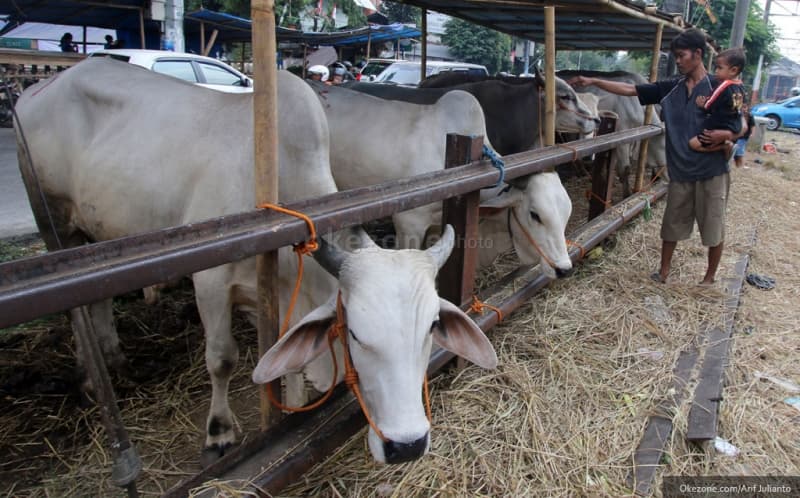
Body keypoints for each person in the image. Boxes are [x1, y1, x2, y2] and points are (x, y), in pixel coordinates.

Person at [569, 29, 741, 286]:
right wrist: (593, 80)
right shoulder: (671, 88)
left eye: (682, 55)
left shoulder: (720, 88)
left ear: (697, 54)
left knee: (714, 227)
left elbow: (740, 125)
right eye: (676, 56)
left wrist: (725, 136)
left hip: (712, 172)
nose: (679, 60)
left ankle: (709, 278)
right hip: (680, 171)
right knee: (671, 225)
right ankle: (663, 272)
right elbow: (630, 90)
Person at [688, 47, 746, 159]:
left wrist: (702, 105)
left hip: (719, 125)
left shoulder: (724, 86)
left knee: (693, 144)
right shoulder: (740, 86)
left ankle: (724, 147)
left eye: (719, 68)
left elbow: (710, 103)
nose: (716, 71)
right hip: (733, 125)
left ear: (733, 70)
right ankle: (726, 144)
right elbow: (741, 107)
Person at [733, 103, 756, 168]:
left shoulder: (750, 116)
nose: (743, 109)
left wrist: (752, 133)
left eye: (745, 107)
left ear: (747, 108)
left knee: (739, 150)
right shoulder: (737, 114)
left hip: (744, 136)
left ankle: (739, 165)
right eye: (742, 107)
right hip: (736, 135)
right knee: (735, 150)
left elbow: (753, 126)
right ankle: (737, 164)